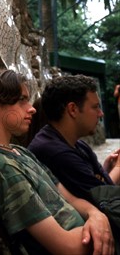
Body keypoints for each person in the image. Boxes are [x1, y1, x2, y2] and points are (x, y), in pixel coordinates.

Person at [0, 69, 114, 254]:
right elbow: (68, 247)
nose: (31, 108)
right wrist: (100, 230)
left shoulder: (20, 152)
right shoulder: (2, 168)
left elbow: (69, 197)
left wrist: (96, 215)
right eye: (21, 100)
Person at [28, 75, 120, 203]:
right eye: (95, 107)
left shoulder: (78, 145)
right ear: (73, 109)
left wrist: (106, 170)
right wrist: (118, 168)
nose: (101, 113)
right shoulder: (56, 153)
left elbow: (105, 189)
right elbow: (109, 201)